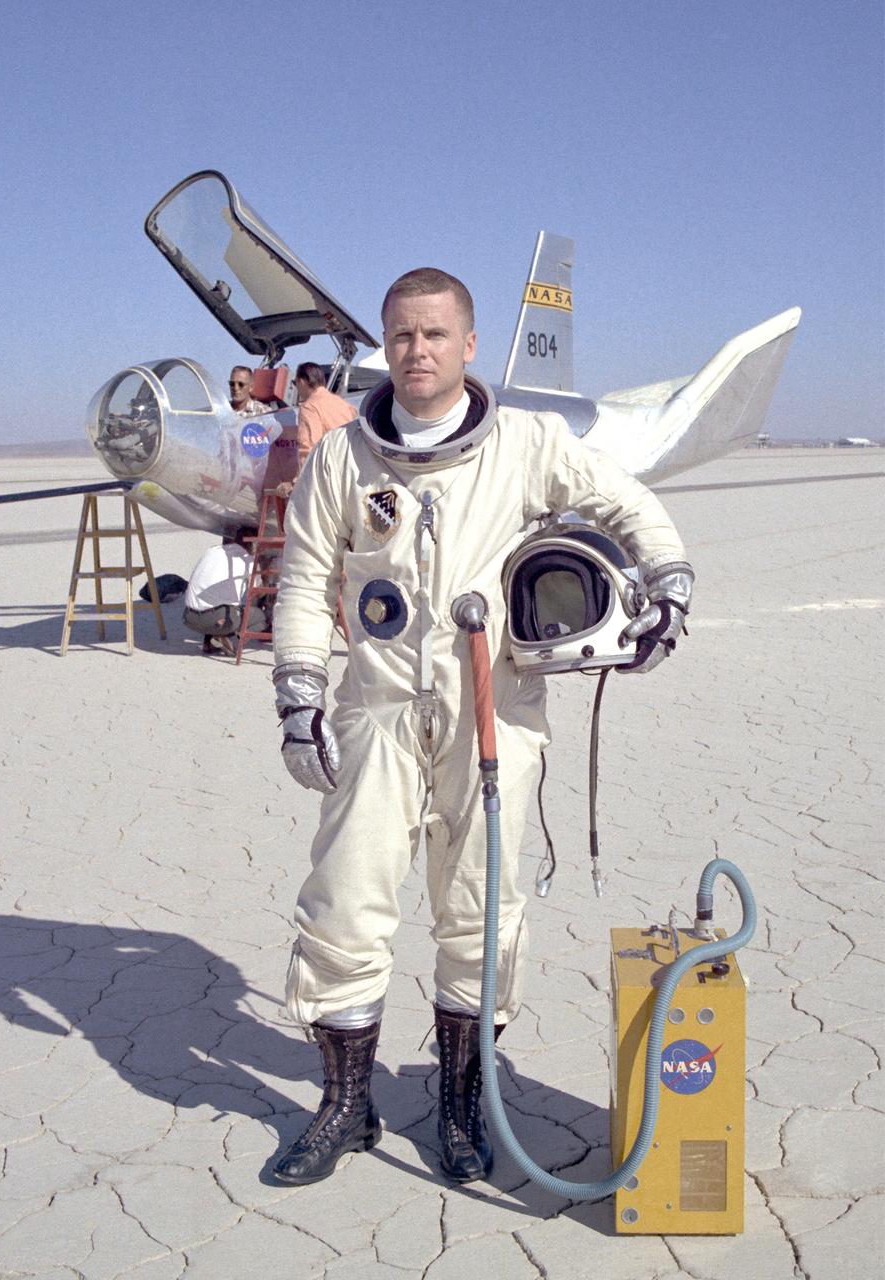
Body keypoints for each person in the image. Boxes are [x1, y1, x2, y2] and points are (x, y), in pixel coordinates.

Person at [269, 269, 693, 1186]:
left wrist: (668, 583)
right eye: (401, 336)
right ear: (387, 345)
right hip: (376, 709)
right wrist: (299, 696)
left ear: (467, 343)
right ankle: (347, 1106)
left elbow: (628, 503)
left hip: (491, 712)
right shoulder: (345, 459)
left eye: (434, 335)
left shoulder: (528, 445)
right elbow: (305, 579)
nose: (416, 352)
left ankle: (463, 1102)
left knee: (482, 913)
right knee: (344, 906)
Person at [276, 363, 357, 500]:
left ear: (301, 381)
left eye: (295, 383)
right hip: (350, 478)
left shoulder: (309, 407)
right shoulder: (345, 405)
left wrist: (296, 483)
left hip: (327, 483)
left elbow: (309, 449)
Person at [182, 531, 254, 656]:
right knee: (259, 617)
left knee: (215, 599)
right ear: (252, 545)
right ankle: (223, 634)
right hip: (216, 619)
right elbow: (257, 589)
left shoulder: (211, 551)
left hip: (189, 617)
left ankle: (208, 641)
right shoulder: (247, 559)